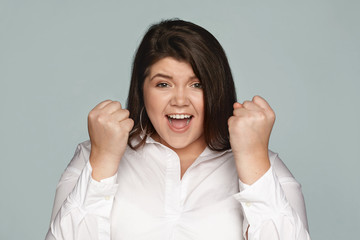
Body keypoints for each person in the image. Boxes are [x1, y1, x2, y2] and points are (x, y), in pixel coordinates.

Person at [46, 19, 311, 240]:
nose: (180, 100)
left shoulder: (267, 165)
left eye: (197, 85)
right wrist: (102, 161)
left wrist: (254, 160)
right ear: (142, 90)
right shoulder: (91, 156)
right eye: (163, 84)